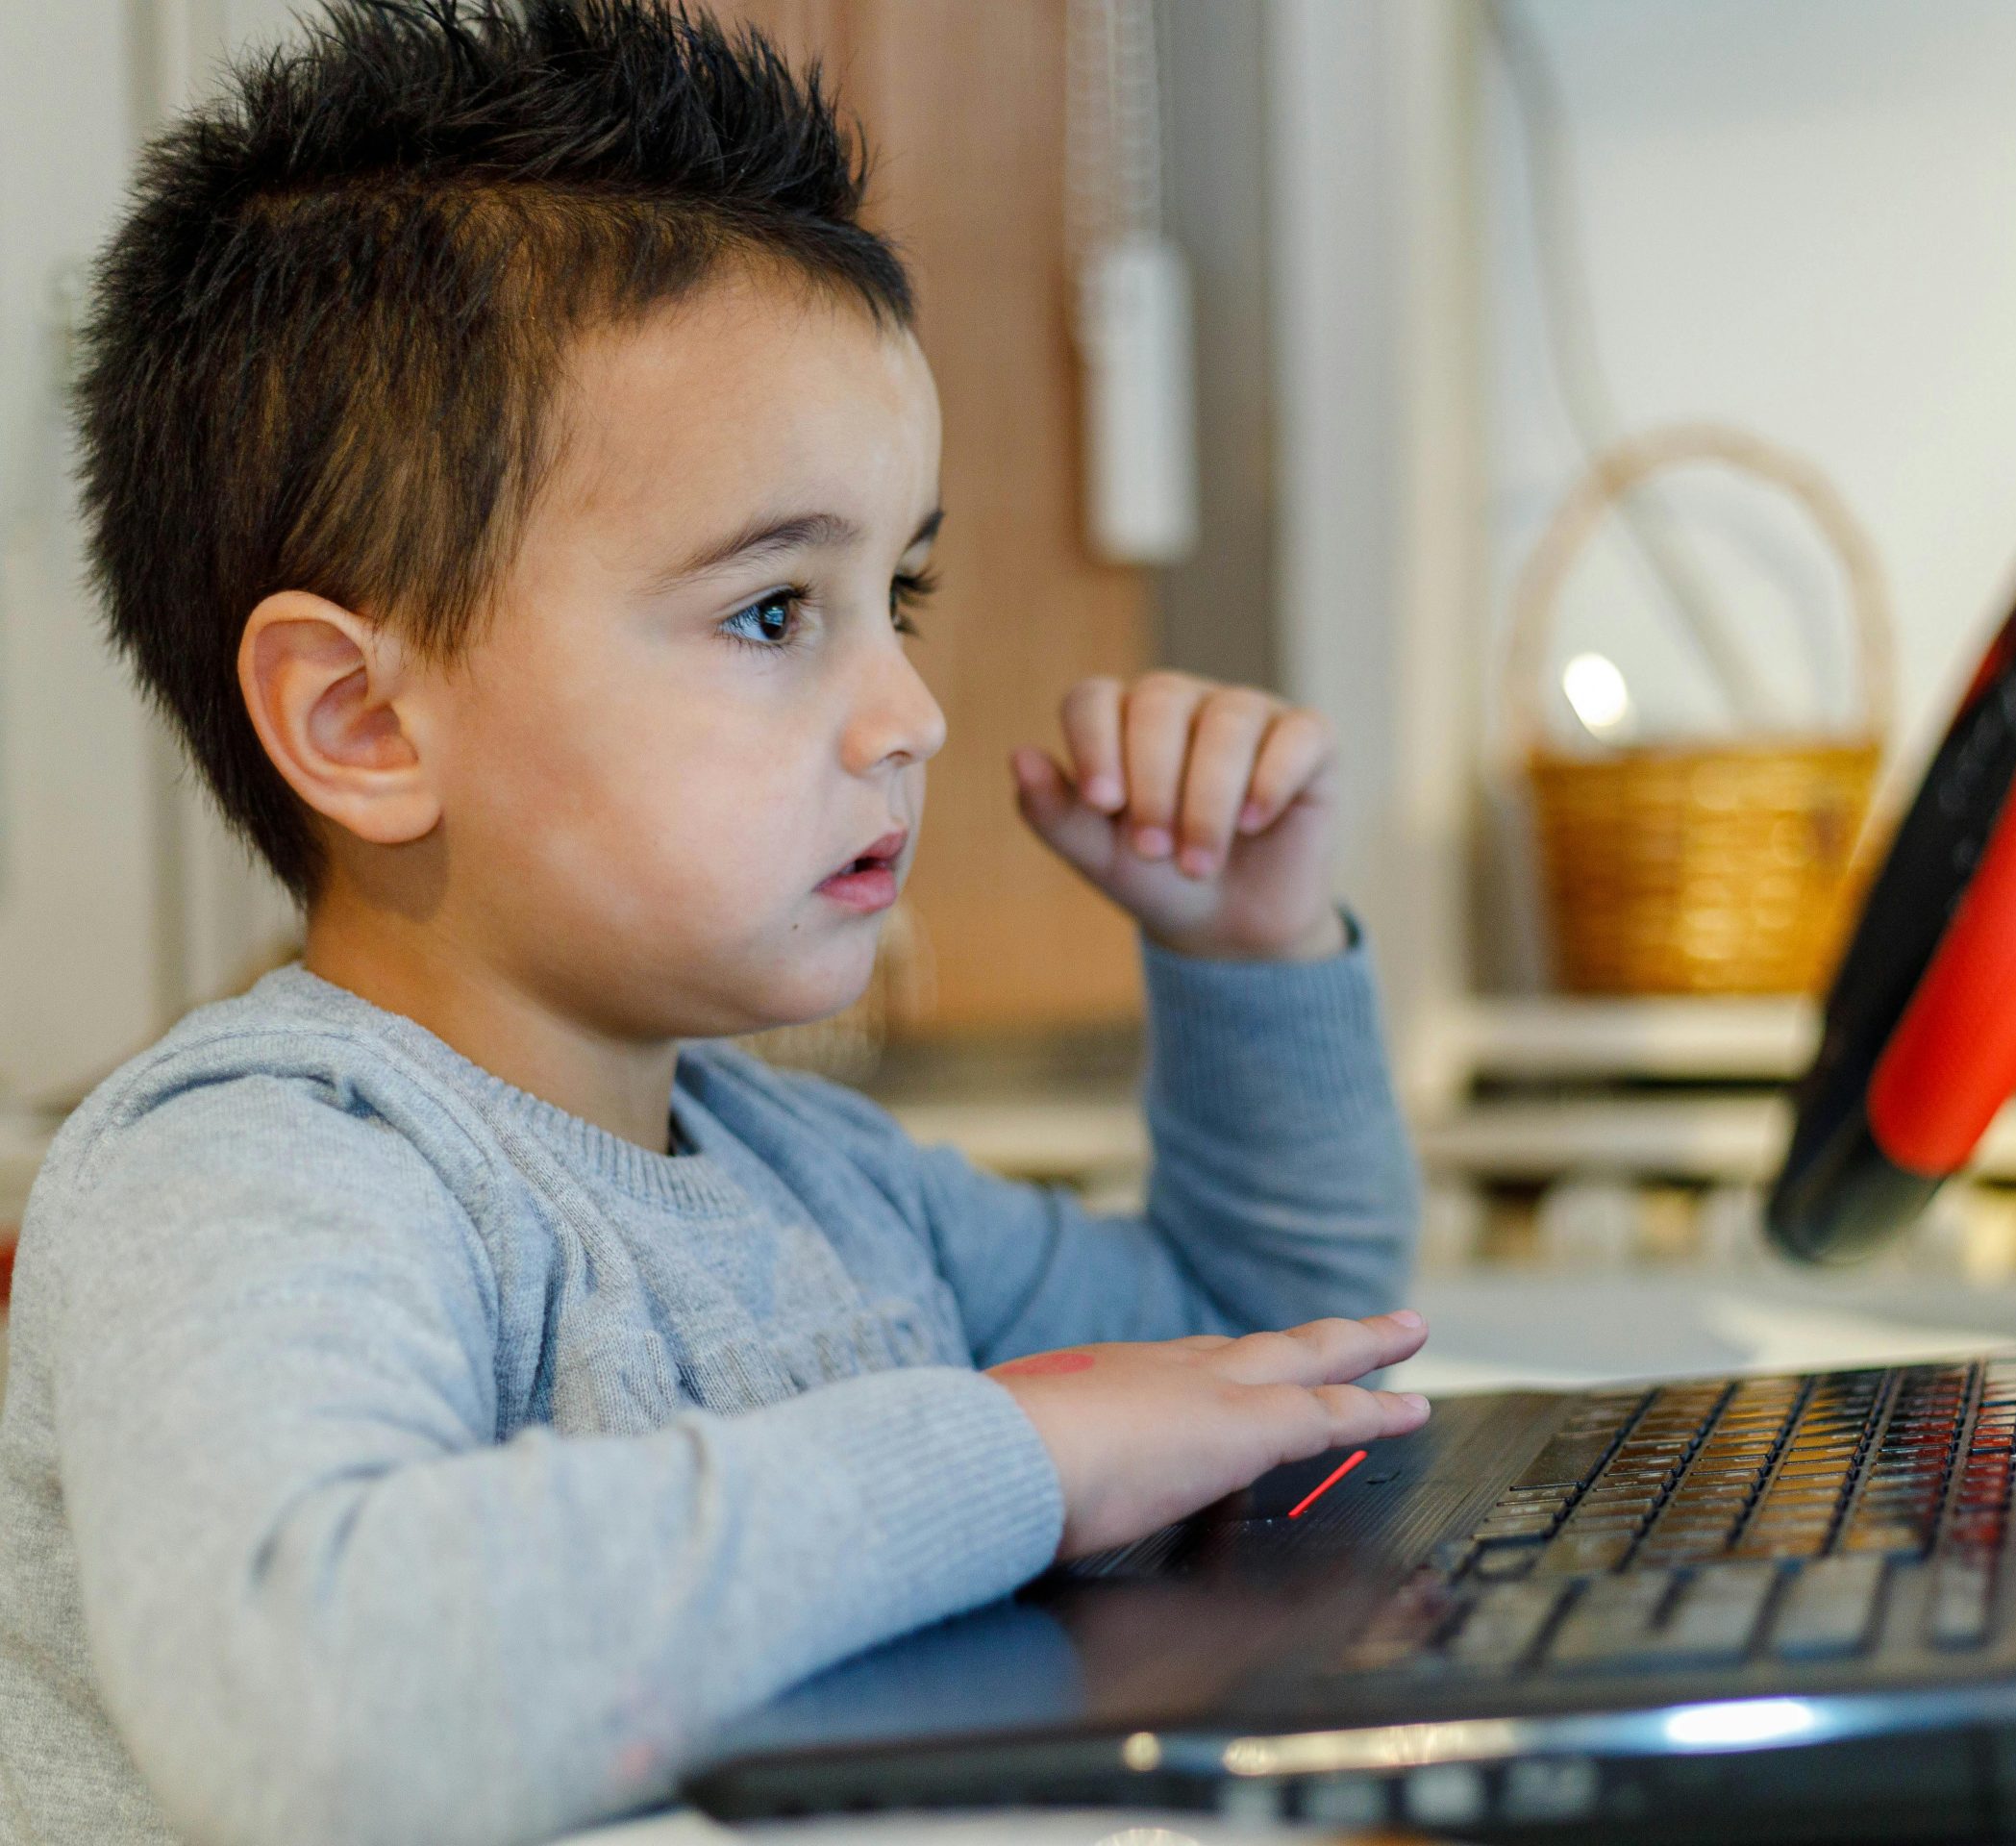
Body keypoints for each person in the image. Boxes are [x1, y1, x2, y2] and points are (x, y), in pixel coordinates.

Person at [0, 4, 1426, 1842]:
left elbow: (1281, 1379)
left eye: (891, 589)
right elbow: (319, 1706)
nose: (907, 708)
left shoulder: (824, 1183)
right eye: (772, 612)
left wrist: (1246, 963)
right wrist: (1017, 1457)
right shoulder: (256, 1167)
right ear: (363, 723)